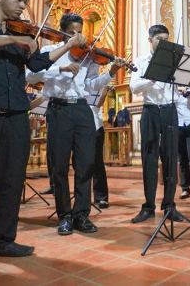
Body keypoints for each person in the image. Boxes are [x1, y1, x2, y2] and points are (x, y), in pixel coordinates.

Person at [0, 0, 85, 256]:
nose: (22, 6)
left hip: (17, 113)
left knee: (11, 178)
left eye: (25, 2)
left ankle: (2, 239)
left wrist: (66, 46)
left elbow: (37, 63)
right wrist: (14, 39)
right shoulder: (9, 33)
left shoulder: (24, 34)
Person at [26, 12, 125, 236]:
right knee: (59, 166)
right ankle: (65, 216)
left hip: (82, 110)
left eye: (80, 32)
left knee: (86, 164)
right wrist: (59, 69)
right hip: (58, 109)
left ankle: (82, 214)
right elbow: (30, 76)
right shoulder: (47, 52)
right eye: (72, 32)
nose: (78, 36)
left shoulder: (88, 56)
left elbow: (91, 86)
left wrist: (111, 72)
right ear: (62, 32)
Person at [130, 24, 183, 223]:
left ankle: (169, 205)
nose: (164, 43)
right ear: (150, 40)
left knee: (170, 159)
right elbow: (134, 86)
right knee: (149, 159)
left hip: (170, 110)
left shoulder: (173, 61)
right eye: (160, 39)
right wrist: (152, 78)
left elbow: (180, 85)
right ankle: (148, 207)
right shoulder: (141, 61)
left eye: (166, 39)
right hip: (150, 111)